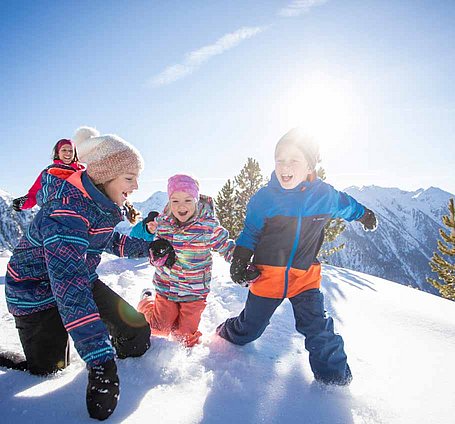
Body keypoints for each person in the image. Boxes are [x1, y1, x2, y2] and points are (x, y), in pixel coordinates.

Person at [2, 126, 153, 420]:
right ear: (105, 175)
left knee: (136, 336)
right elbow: (70, 291)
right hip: (35, 293)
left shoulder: (98, 203)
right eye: (130, 178)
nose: (135, 187)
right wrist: (100, 361)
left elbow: (107, 239)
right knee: (50, 368)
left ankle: (88, 335)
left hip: (76, 277)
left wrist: (148, 248)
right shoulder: (65, 213)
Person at [216, 128, 378, 386]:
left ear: (310, 166)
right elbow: (250, 232)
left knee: (319, 330)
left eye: (294, 160)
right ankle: (226, 332)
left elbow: (347, 206)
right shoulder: (264, 198)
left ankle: (335, 384)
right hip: (268, 276)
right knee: (250, 328)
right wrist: (239, 260)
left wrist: (364, 214)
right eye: (280, 159)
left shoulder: (324, 195)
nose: (285, 166)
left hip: (305, 276)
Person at [137, 174, 246, 347]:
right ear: (169, 202)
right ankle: (146, 301)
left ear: (196, 200)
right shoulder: (163, 224)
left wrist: (241, 261)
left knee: (186, 338)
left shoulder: (207, 226)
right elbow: (153, 249)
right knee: (159, 328)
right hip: (167, 287)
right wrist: (156, 250)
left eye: (188, 200)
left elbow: (226, 245)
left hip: (194, 291)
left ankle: (186, 339)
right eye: (175, 201)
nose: (181, 206)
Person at [12, 138, 85, 211]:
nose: (68, 153)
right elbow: (35, 193)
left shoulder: (81, 172)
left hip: (79, 210)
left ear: (74, 153)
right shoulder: (49, 172)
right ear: (57, 152)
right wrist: (23, 203)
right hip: (55, 210)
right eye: (64, 150)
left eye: (71, 151)